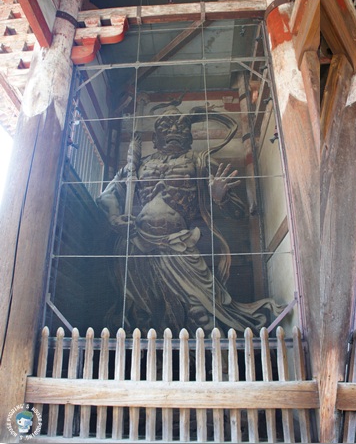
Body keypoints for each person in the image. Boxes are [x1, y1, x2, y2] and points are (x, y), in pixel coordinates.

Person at [97, 99, 282, 336]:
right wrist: (115, 217)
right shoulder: (138, 166)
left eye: (180, 126)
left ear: (189, 135)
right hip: (137, 242)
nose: (174, 130)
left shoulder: (200, 162)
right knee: (141, 311)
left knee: (199, 308)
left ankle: (217, 366)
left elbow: (240, 213)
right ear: (155, 138)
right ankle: (146, 367)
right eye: (166, 126)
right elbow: (106, 196)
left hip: (179, 244)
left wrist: (220, 197)